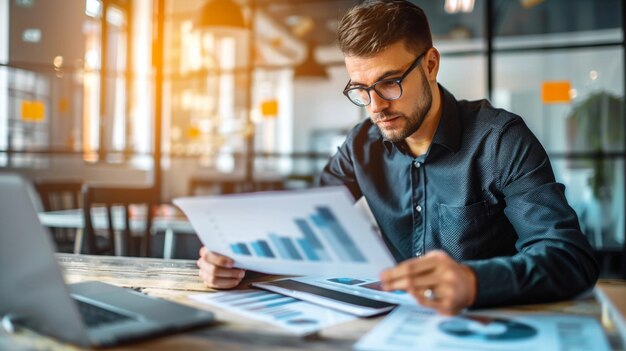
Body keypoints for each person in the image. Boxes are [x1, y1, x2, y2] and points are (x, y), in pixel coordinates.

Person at [197, 0, 599, 315]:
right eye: (360, 88)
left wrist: (475, 281)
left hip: (490, 325)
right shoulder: (361, 145)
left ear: (430, 64)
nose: (374, 106)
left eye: (389, 83)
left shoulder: (500, 141)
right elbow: (305, 227)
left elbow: (568, 257)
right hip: (394, 325)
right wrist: (239, 261)